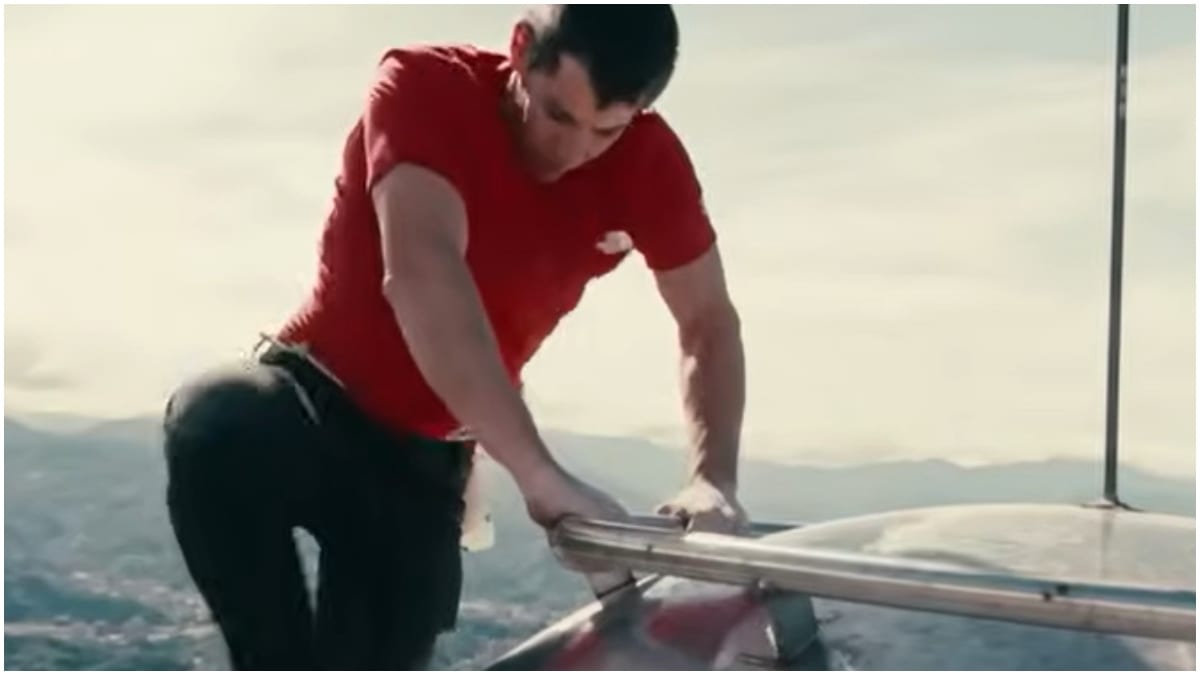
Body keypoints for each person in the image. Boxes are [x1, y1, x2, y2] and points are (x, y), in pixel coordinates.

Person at [162, 4, 748, 670]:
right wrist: (539, 474)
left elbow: (707, 321)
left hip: (422, 469)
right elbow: (423, 272)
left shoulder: (650, 163)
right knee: (217, 420)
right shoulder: (423, 87)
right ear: (521, 49)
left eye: (605, 132)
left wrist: (712, 478)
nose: (574, 151)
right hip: (307, 409)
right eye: (557, 114)